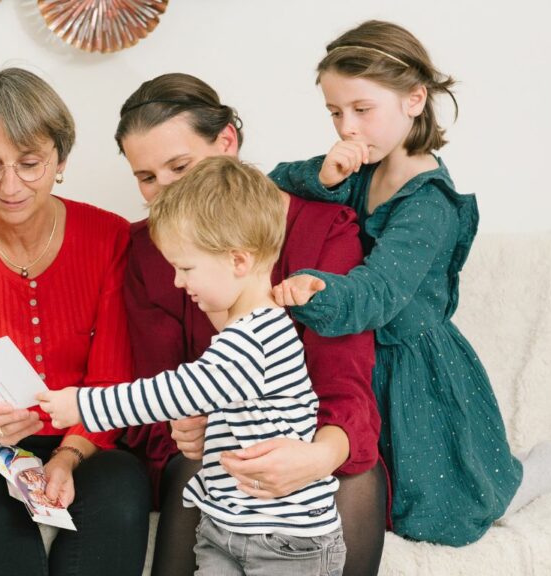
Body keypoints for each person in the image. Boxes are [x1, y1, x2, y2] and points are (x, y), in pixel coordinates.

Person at [115, 73, 385, 575]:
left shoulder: (325, 232)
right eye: (147, 178)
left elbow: (346, 385)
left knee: (357, 478)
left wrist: (315, 458)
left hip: (311, 438)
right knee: (197, 468)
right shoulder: (148, 252)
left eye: (180, 166)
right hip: (216, 454)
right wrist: (188, 428)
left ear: (227, 142)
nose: (166, 190)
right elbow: (154, 392)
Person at [268, 20, 522, 546]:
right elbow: (272, 182)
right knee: (349, 488)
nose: (347, 128)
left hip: (413, 367)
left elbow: (378, 293)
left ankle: (542, 472)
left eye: (362, 109)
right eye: (335, 112)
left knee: (441, 510)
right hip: (358, 358)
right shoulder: (361, 166)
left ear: (414, 100)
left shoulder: (429, 202)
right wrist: (327, 176)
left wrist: (317, 288)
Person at [39, 156, 346, 576]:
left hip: (284, 542)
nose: (180, 283)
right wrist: (212, 432)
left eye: (186, 268)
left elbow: (179, 389)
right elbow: (238, 410)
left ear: (239, 261)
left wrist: (83, 405)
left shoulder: (254, 336)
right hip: (226, 527)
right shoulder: (245, 331)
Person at [0, 68, 151, 576]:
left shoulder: (108, 238)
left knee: (123, 486)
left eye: (30, 163)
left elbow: (110, 384)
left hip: (86, 437)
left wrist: (67, 457)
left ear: (60, 160)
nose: (11, 185)